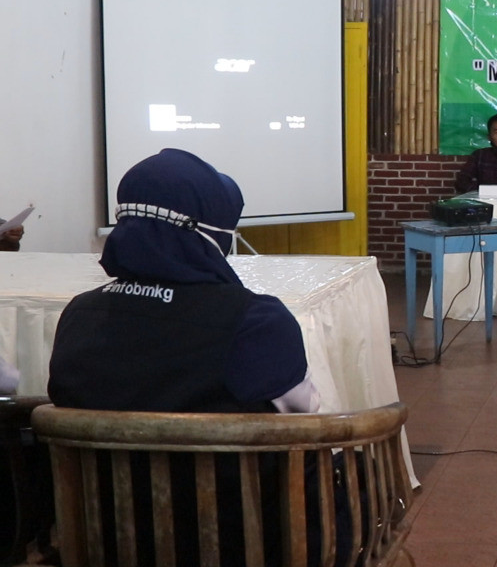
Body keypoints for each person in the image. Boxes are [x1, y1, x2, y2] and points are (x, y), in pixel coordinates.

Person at [47, 148, 327, 565]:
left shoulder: (79, 314)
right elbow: (312, 426)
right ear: (210, 234)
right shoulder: (255, 321)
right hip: (242, 544)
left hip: (105, 541)